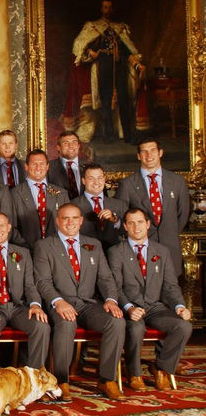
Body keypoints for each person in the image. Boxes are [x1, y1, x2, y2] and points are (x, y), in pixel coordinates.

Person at [33, 204, 125, 401]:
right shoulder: (44, 245)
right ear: (57, 221)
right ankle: (61, 380)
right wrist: (58, 302)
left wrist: (110, 300)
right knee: (66, 324)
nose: (70, 222)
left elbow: (106, 278)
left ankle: (106, 379)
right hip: (60, 303)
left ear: (81, 221)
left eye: (75, 218)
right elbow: (42, 281)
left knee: (116, 321)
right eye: (65, 218)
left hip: (87, 304)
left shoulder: (94, 244)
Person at [108, 208, 192, 391]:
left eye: (139, 222)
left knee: (183, 326)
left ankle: (161, 368)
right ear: (125, 226)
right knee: (136, 329)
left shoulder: (161, 251)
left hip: (155, 307)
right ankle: (134, 373)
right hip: (128, 308)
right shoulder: (116, 251)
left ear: (147, 224)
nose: (136, 227)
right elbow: (114, 287)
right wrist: (129, 308)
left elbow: (170, 285)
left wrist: (179, 306)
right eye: (131, 223)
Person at [0, 212, 49, 375]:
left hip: (18, 307)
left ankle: (34, 378)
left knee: (41, 326)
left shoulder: (23, 253)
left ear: (9, 227)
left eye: (2, 225)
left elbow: (29, 284)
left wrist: (35, 304)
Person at [72, 0, 146, 143]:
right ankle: (108, 135)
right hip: (103, 66)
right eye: (105, 7)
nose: (108, 10)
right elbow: (81, 45)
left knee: (124, 100)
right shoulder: (93, 27)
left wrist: (137, 65)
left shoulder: (119, 28)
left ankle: (129, 135)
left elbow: (126, 50)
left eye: (110, 7)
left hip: (120, 67)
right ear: (101, 9)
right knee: (105, 101)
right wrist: (90, 52)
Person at [116, 138, 190, 276]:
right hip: (141, 250)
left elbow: (183, 213)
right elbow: (122, 217)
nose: (149, 155)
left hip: (171, 248)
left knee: (171, 292)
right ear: (138, 156)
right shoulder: (127, 184)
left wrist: (168, 232)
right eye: (144, 151)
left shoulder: (177, 181)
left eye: (152, 151)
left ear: (160, 153)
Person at [10, 150, 71, 249]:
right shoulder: (14, 194)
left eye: (42, 164)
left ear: (47, 166)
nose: (38, 168)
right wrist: (25, 246)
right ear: (26, 166)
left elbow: (68, 223)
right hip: (27, 250)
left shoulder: (61, 194)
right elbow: (10, 226)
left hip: (57, 250)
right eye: (34, 164)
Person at [74, 163, 126, 250]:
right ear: (83, 181)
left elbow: (129, 232)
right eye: (91, 178)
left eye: (100, 178)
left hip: (115, 255)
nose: (96, 182)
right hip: (86, 255)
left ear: (104, 179)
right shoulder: (73, 206)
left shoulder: (120, 205)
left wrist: (115, 220)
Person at [47, 131, 84, 200]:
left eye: (74, 142)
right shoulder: (48, 168)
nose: (71, 146)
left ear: (79, 146)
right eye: (66, 143)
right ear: (58, 147)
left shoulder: (89, 166)